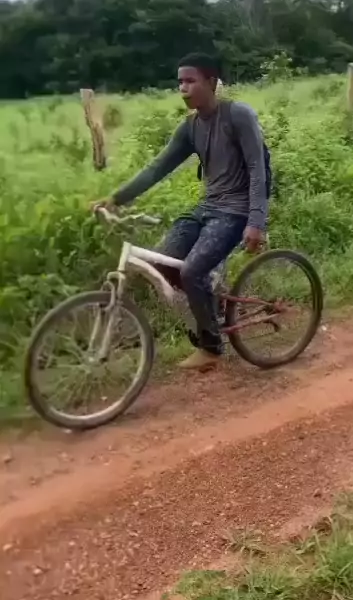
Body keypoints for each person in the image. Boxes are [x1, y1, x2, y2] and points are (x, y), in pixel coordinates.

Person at [93, 52, 268, 371]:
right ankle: (212, 305)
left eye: (190, 81)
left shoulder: (238, 115)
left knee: (191, 272)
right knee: (163, 264)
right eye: (179, 82)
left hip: (236, 211)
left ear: (211, 82)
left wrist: (256, 220)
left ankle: (211, 348)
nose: (183, 88)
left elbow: (257, 168)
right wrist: (115, 199)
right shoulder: (190, 128)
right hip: (207, 207)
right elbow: (157, 168)